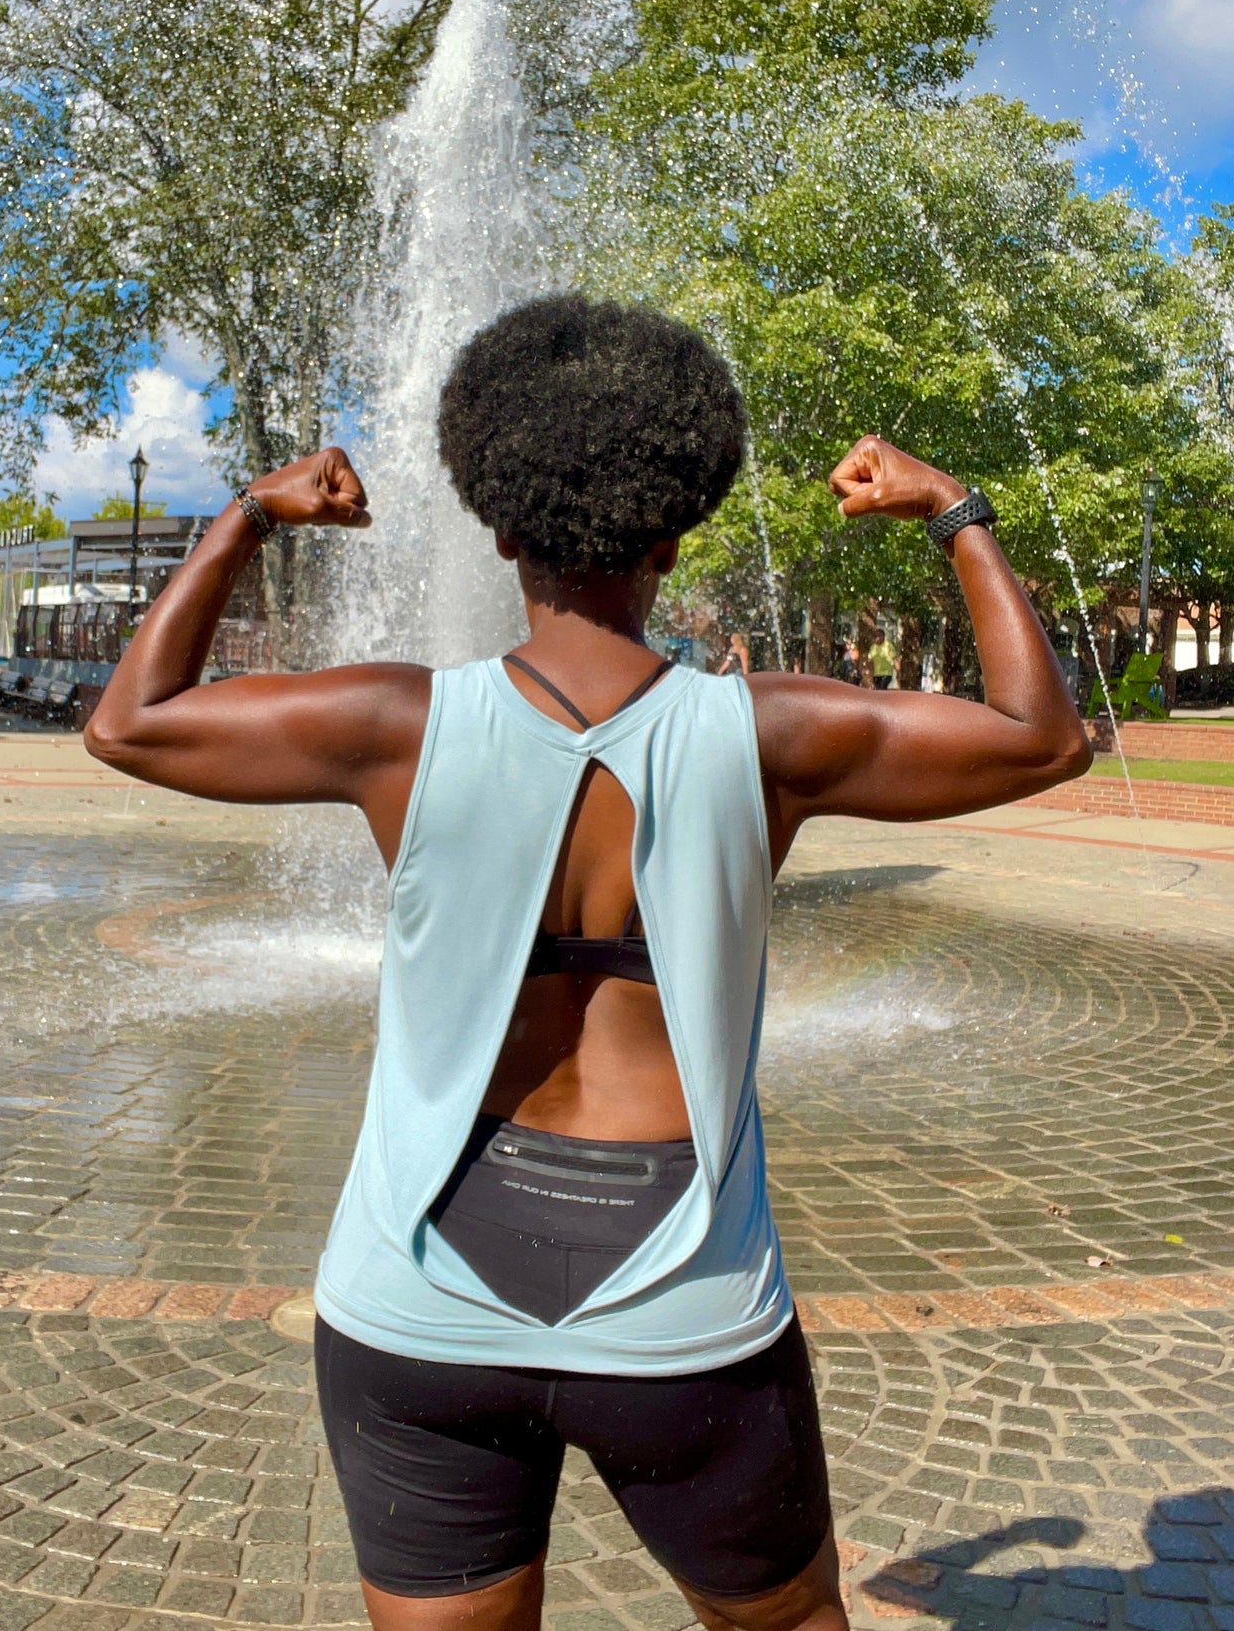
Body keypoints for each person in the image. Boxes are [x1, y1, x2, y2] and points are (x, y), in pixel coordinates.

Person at [85, 294, 1090, 1631]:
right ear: (676, 534)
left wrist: (251, 519)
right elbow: (1040, 738)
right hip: (681, 1305)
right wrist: (954, 512)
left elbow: (131, 723)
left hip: (414, 1300)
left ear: (498, 529)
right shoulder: (772, 732)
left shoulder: (394, 721)